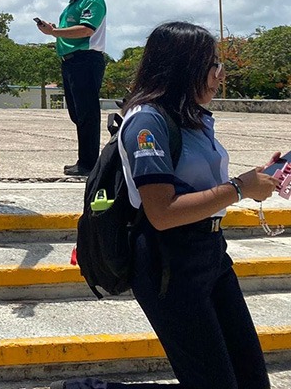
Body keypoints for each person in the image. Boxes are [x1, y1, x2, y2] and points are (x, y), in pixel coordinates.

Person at [50, 21, 276, 389]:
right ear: (184, 68)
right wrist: (239, 189)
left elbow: (201, 185)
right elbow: (163, 212)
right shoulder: (147, 123)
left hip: (211, 254)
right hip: (169, 262)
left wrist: (258, 177)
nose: (220, 74)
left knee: (251, 381)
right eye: (212, 64)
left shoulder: (195, 118)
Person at [36, 0, 107, 176]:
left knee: (87, 113)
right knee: (77, 113)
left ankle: (89, 163)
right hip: (70, 61)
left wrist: (54, 33)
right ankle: (84, 159)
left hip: (86, 59)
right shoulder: (73, 3)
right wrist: (55, 29)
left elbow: (86, 30)